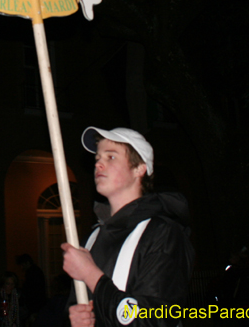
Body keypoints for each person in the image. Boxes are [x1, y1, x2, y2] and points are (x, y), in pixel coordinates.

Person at [61, 127, 194, 327]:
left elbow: (152, 320)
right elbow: (85, 305)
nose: (99, 163)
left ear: (140, 168)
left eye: (111, 157)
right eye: (97, 158)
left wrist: (90, 274)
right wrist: (78, 317)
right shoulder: (92, 238)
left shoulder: (163, 234)